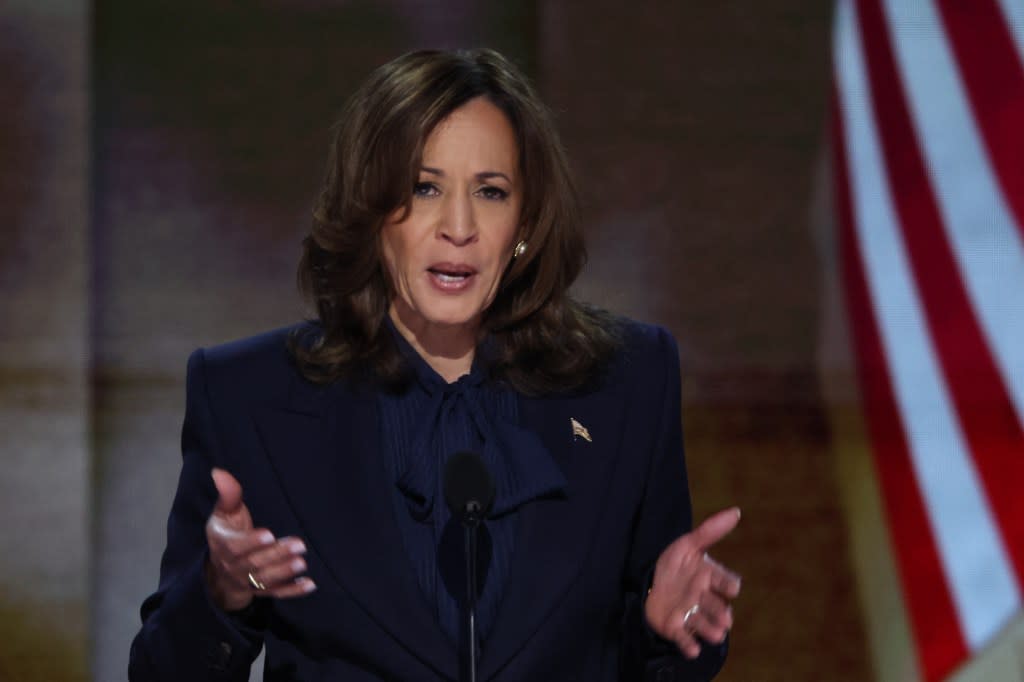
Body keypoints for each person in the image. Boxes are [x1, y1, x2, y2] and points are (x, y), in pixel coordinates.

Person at [128, 48, 742, 681]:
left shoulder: (626, 382)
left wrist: (664, 630)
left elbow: (659, 657)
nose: (459, 226)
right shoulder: (250, 396)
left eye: (491, 192)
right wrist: (224, 590)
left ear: (525, 222)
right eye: (424, 188)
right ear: (371, 213)